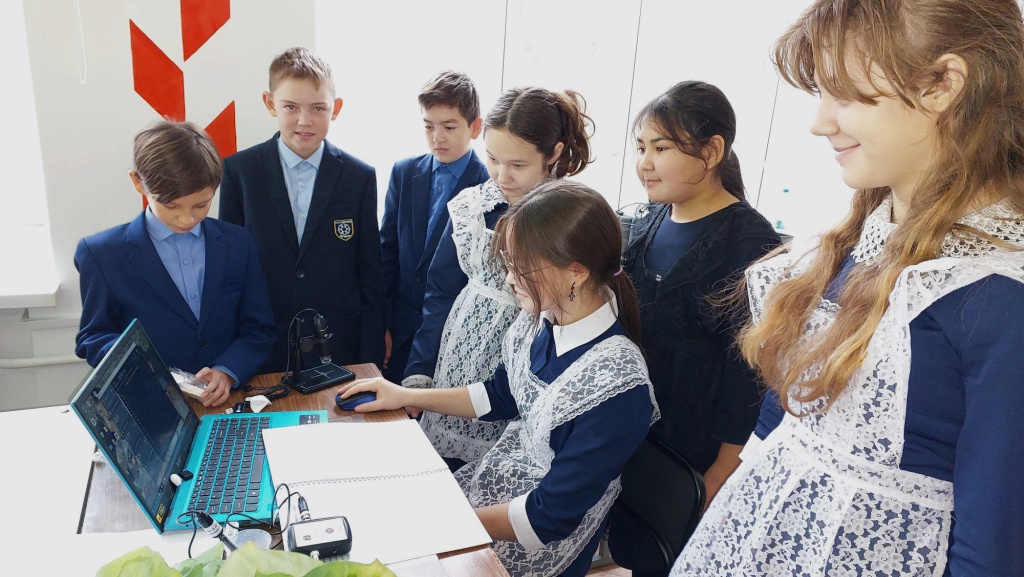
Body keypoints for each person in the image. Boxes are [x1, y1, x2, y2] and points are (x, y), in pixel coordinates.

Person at [674, 0, 1024, 574]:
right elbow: (791, 418)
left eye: (845, 95)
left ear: (943, 84)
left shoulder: (996, 295)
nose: (820, 122)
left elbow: (993, 548)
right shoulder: (851, 243)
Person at [339, 180, 658, 577]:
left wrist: (446, 520)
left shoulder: (617, 386)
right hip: (504, 491)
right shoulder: (546, 319)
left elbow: (548, 517)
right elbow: (498, 396)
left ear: (575, 272)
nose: (509, 279)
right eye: (509, 264)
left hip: (541, 537)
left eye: (522, 268)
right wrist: (404, 395)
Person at [610, 81, 780, 575]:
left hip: (695, 451)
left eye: (661, 148)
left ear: (711, 152)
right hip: (639, 433)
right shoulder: (650, 220)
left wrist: (723, 469)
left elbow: (749, 373)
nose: (645, 163)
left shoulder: (750, 244)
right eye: (641, 147)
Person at [403, 87, 594, 469]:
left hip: (523, 371)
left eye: (518, 165)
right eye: (492, 159)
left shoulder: (573, 217)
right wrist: (419, 371)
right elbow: (440, 293)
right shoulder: (472, 206)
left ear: (553, 153)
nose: (502, 176)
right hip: (458, 361)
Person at [75, 121, 276, 407]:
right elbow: (94, 338)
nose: (187, 218)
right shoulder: (101, 253)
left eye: (201, 205)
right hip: (151, 405)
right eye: (171, 206)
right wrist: (150, 372)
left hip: (229, 400)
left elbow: (259, 328)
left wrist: (228, 370)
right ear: (137, 182)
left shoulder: (238, 242)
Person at [219, 47, 384, 373]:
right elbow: (231, 272)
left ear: (336, 108)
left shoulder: (359, 176)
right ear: (270, 104)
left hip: (340, 347)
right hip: (263, 348)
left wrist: (371, 359)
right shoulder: (240, 172)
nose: (304, 120)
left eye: (318, 108)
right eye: (291, 107)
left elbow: (370, 275)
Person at [379, 70, 489, 383]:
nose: (437, 137)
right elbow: (387, 252)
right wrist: (382, 324)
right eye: (429, 126)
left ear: (475, 127)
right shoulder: (404, 172)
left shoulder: (487, 186)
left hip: (452, 337)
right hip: (398, 332)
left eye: (449, 127)